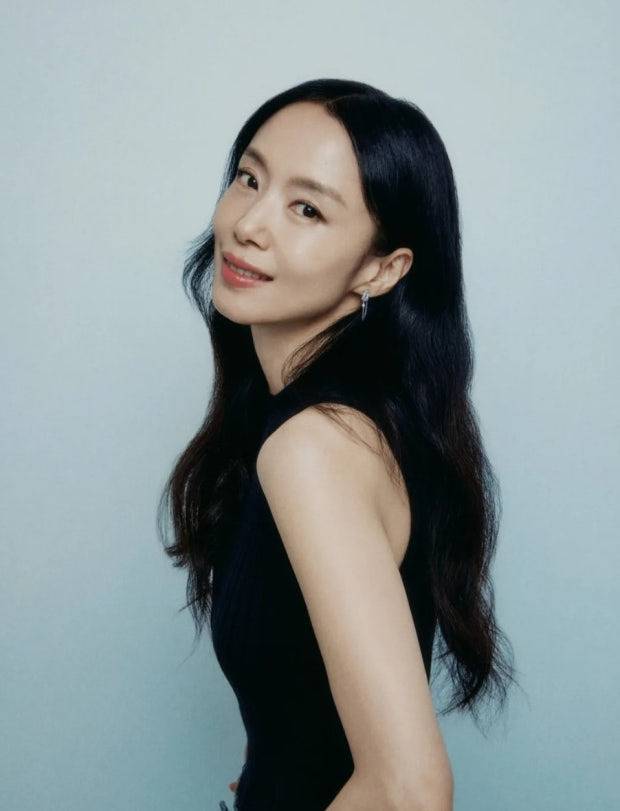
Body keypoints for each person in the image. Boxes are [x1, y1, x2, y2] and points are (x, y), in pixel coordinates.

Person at [158, 78, 518, 810]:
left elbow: (410, 791)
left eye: (308, 209)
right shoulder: (355, 421)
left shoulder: (314, 448)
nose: (249, 224)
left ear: (382, 269)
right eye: (249, 178)